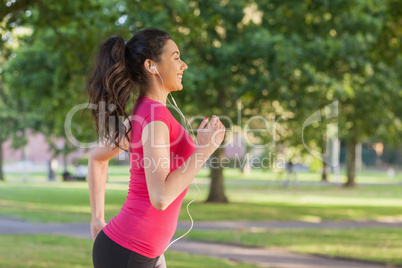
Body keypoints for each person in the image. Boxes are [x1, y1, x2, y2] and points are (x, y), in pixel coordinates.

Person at [85, 28, 225, 268]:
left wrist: (98, 218)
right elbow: (161, 197)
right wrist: (204, 149)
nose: (184, 65)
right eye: (176, 57)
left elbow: (97, 157)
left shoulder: (144, 113)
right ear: (151, 66)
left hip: (143, 251)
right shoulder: (153, 117)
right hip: (127, 253)